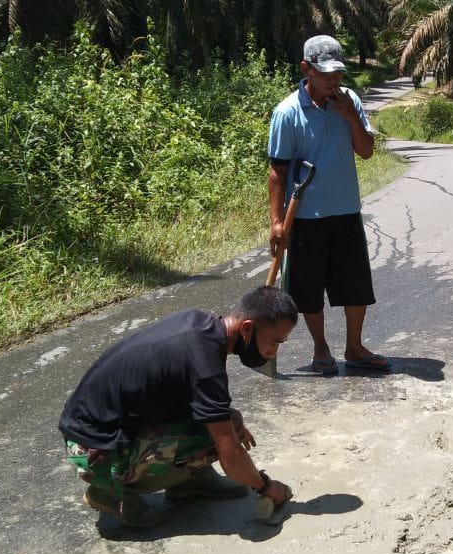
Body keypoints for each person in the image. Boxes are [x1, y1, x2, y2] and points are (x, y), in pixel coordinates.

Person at [58, 286, 298, 527]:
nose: (272, 352)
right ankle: (109, 491)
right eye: (275, 342)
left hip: (98, 427)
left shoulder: (201, 324)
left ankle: (190, 483)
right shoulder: (206, 366)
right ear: (247, 328)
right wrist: (265, 486)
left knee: (227, 419)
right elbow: (231, 456)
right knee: (225, 437)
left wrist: (230, 419)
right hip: (93, 450)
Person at [268, 34, 389, 375]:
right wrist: (277, 222)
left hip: (346, 209)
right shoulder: (287, 112)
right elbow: (277, 171)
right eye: (325, 73)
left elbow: (366, 151)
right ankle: (321, 351)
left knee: (355, 286)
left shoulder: (349, 99)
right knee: (307, 289)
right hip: (304, 216)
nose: (333, 79)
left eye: (338, 72)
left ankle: (355, 346)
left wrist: (351, 116)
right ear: (306, 69)